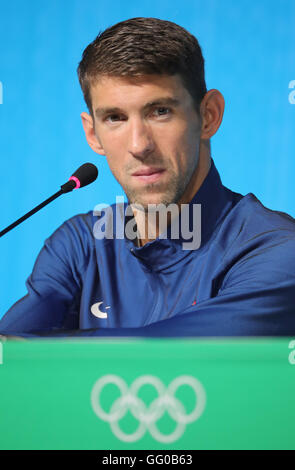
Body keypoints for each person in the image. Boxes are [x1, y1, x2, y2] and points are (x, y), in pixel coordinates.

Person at [1, 16, 295, 338]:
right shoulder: (81, 244)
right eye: (115, 118)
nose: (139, 145)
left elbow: (184, 358)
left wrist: (45, 348)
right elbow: (10, 358)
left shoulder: (276, 248)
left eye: (160, 112)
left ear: (208, 115)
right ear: (93, 133)